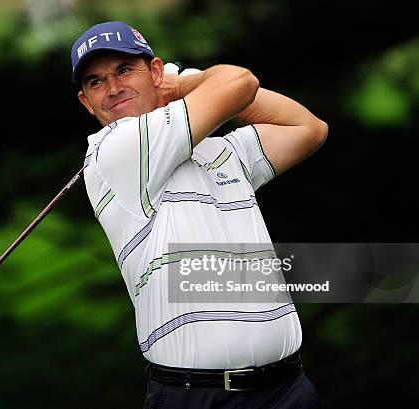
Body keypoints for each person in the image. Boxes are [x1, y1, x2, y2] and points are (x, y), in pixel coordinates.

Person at [71, 20, 327, 409]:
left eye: (125, 70)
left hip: (287, 389)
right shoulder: (114, 150)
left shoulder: (219, 151)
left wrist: (181, 84)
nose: (112, 88)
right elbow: (239, 82)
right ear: (86, 103)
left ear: (155, 72)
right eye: (95, 81)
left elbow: (308, 128)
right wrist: (184, 86)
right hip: (196, 397)